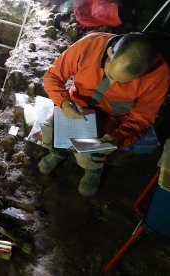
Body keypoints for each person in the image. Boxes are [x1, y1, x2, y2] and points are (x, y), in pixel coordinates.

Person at [39, 32, 170, 196]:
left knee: (93, 153)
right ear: (110, 53)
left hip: (111, 117)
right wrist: (64, 103)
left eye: (123, 82)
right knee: (49, 130)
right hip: (77, 106)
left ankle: (93, 171)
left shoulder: (159, 75)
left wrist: (118, 138)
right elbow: (52, 76)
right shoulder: (89, 45)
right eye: (110, 75)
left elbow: (141, 120)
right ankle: (57, 153)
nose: (112, 84)